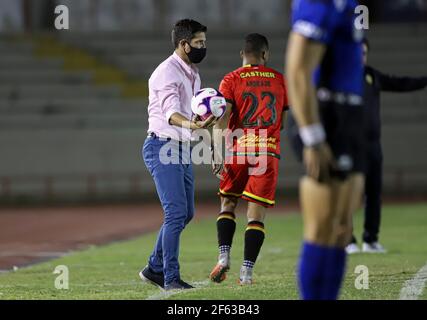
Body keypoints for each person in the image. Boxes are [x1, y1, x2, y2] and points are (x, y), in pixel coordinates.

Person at [286, 0, 365, 300]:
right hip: (326, 118)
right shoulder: (319, 2)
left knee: (342, 228)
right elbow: (297, 69)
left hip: (350, 116)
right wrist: (313, 138)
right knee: (322, 228)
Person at [139, 19, 215, 291]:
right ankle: (170, 277)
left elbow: (195, 115)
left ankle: (154, 267)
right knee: (175, 213)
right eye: (198, 43)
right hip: (162, 146)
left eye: (204, 42)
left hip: (180, 147)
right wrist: (195, 124)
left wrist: (208, 138)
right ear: (183, 44)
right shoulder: (166, 72)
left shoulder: (193, 73)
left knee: (187, 213)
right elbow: (172, 114)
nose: (203, 47)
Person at [209, 33, 289, 285]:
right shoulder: (280, 80)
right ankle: (247, 273)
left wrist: (217, 151)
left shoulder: (231, 79)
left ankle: (223, 258)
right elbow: (282, 122)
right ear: (265, 54)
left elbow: (222, 118)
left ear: (242, 54)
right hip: (267, 151)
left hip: (238, 149)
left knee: (228, 204)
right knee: (255, 216)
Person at [346, 38, 427, 254]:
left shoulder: (373, 75)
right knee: (349, 193)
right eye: (357, 52)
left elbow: (401, 83)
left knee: (374, 193)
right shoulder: (340, 76)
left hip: (373, 146)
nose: (360, 56)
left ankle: (370, 239)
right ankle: (348, 240)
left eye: (364, 52)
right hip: (351, 146)